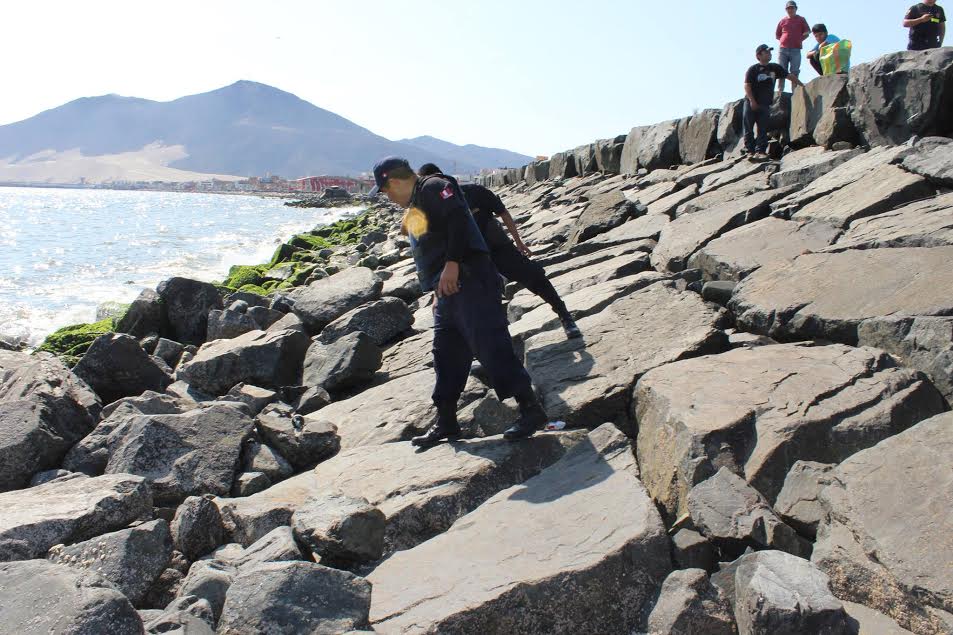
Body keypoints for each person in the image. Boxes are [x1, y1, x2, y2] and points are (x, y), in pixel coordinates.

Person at [370, 157, 550, 447]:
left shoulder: (433, 186)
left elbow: (458, 221)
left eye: (385, 190)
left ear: (395, 181)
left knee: (491, 345)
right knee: (446, 355)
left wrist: (453, 264)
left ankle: (531, 410)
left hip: (471, 280)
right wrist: (434, 290)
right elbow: (427, 252)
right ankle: (447, 422)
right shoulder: (414, 206)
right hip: (446, 293)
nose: (387, 197)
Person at [417, 163, 581, 339]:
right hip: (466, 259)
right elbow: (435, 247)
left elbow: (503, 213)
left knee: (534, 276)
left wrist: (519, 243)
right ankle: (479, 348)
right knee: (466, 304)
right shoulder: (429, 208)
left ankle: (565, 316)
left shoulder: (475, 191)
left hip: (497, 249)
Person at [743, 44, 804, 160]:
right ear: (759, 55)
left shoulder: (775, 68)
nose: (769, 54)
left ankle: (761, 151)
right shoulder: (753, 69)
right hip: (751, 102)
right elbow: (747, 86)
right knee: (748, 128)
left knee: (763, 128)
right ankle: (749, 151)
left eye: (770, 52)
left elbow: (789, 76)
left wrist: (802, 85)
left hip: (765, 104)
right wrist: (752, 101)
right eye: (766, 52)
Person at [775, 1, 811, 88]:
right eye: (788, 8)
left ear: (796, 9)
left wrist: (799, 40)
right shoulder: (782, 21)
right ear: (786, 10)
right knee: (781, 71)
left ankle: (795, 92)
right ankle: (780, 92)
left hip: (795, 49)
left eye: (792, 8)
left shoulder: (801, 19)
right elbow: (778, 35)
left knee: (795, 71)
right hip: (783, 49)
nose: (790, 10)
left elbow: (807, 32)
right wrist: (784, 41)